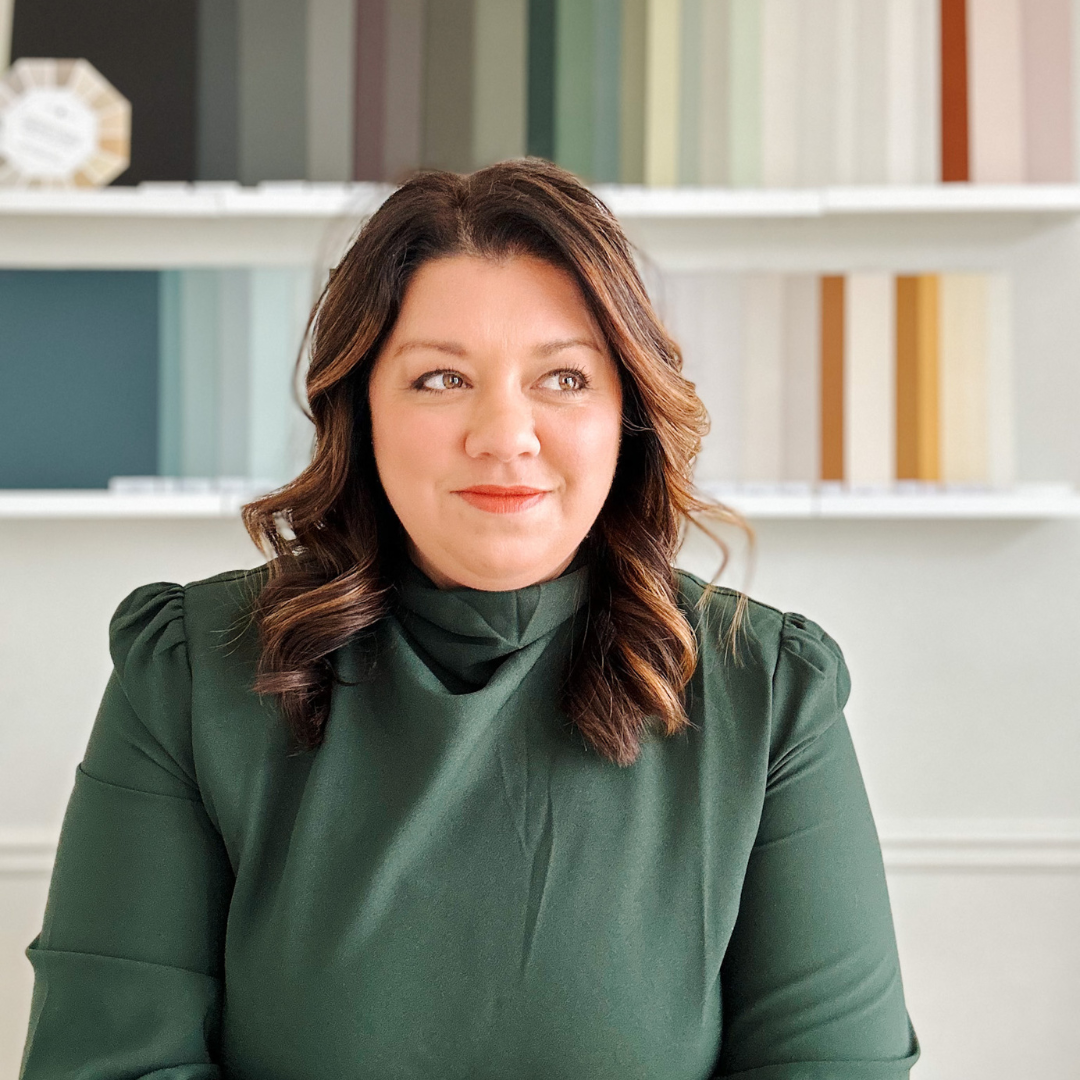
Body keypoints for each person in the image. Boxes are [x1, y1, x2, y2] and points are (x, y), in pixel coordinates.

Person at [19, 158, 919, 1079]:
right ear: (360, 409)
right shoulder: (190, 672)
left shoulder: (766, 691)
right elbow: (110, 1065)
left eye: (564, 379)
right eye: (442, 379)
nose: (504, 433)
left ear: (628, 412)